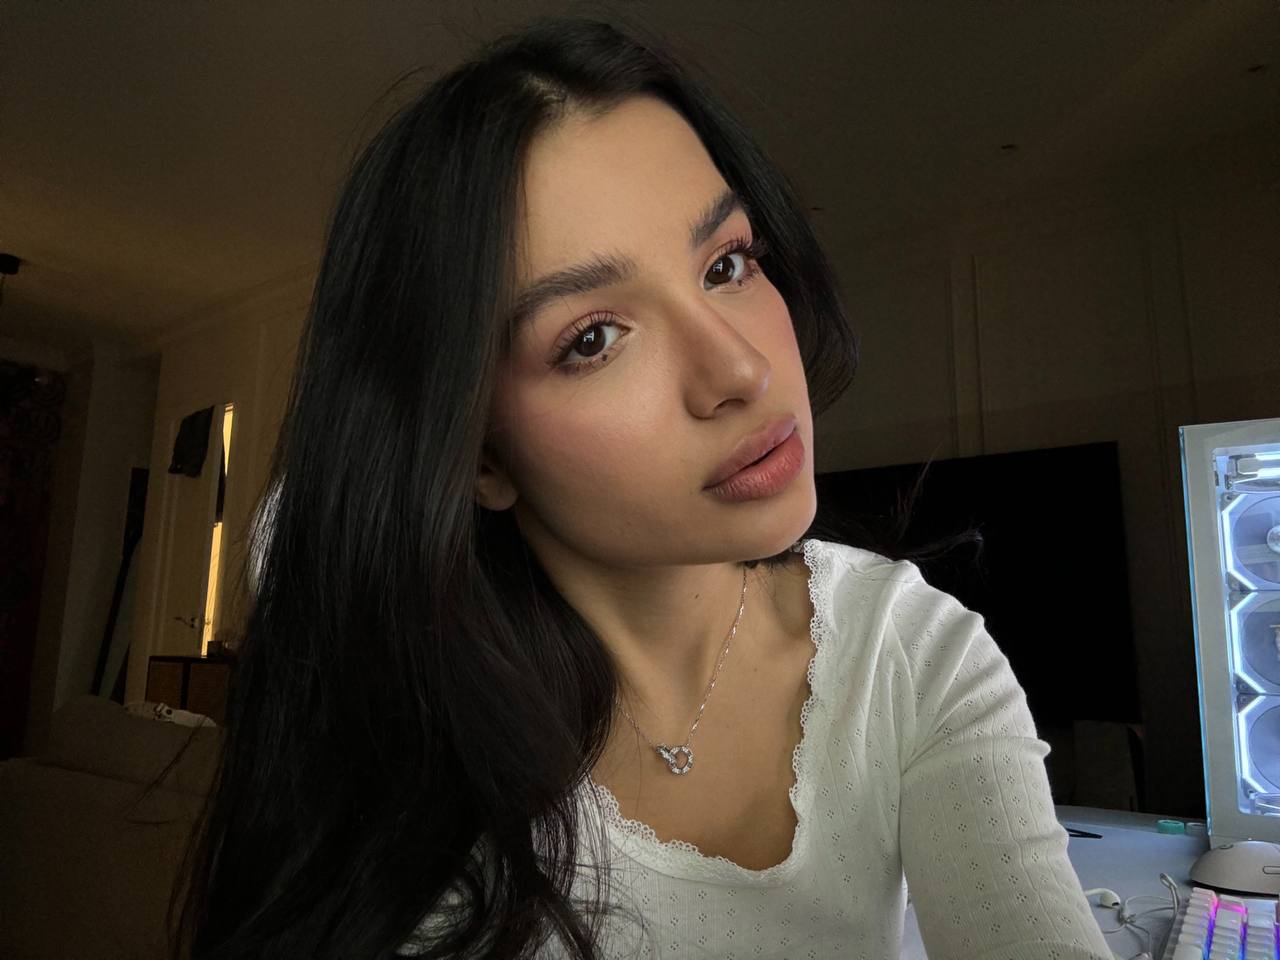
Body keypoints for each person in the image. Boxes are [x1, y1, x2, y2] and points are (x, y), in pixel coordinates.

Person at [167, 15, 1115, 960]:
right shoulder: (414, 759)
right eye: (593, 338)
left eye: (727, 265)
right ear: (479, 457)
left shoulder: (908, 653)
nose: (739, 369)